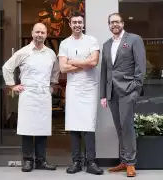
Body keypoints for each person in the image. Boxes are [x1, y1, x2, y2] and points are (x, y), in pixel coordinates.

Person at [2, 23, 60, 172]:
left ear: (46, 34)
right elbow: (7, 67)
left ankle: (41, 161)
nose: (40, 35)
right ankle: (27, 160)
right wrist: (12, 85)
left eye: (42, 32)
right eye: (37, 32)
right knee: (27, 129)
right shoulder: (23, 52)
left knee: (42, 128)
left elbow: (55, 71)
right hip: (28, 94)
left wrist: (52, 85)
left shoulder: (51, 54)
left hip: (43, 94)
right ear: (32, 33)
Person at [100, 13, 146, 177]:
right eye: (112, 22)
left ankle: (131, 163)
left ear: (123, 23)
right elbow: (105, 71)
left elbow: (140, 67)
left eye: (117, 22)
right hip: (112, 92)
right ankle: (124, 161)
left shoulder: (134, 39)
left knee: (127, 127)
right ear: (109, 25)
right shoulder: (106, 45)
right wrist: (103, 95)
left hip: (128, 91)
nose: (115, 25)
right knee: (119, 128)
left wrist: (135, 89)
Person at [58, 11, 103, 175]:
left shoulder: (92, 41)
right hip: (74, 88)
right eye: (74, 22)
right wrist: (84, 64)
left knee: (89, 126)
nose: (77, 24)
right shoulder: (64, 44)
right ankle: (76, 162)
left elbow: (94, 62)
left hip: (90, 88)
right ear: (70, 25)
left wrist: (73, 61)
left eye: (79, 22)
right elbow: (63, 68)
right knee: (74, 126)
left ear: (83, 24)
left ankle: (91, 162)